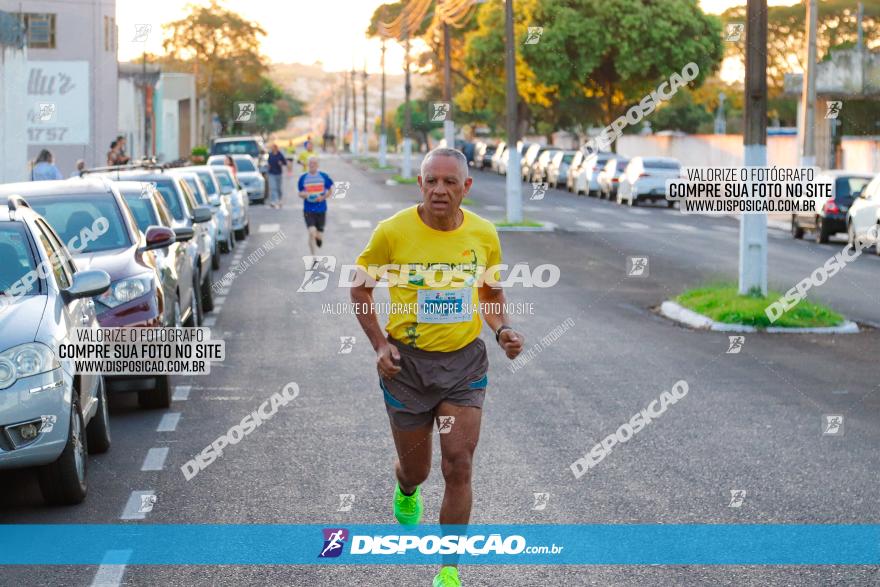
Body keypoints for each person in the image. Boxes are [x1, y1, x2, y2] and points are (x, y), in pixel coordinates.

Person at [350, 148, 524, 587]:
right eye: (432, 181)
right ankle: (406, 488)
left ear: (467, 187)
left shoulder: (483, 234)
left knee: (458, 463)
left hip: (463, 363)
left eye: (450, 182)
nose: (439, 190)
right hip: (406, 367)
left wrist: (502, 332)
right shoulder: (393, 232)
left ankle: (449, 569)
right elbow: (359, 289)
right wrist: (378, 345)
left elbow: (490, 295)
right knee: (418, 470)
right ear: (420, 184)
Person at [298, 156, 334, 256]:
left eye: (314, 163)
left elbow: (330, 191)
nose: (312, 165)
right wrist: (304, 195)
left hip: (321, 209)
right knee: (311, 232)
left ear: (317, 165)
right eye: (310, 163)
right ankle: (314, 257)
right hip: (308, 210)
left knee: (318, 235)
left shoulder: (324, 177)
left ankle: (319, 238)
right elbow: (300, 193)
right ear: (308, 165)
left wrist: (322, 198)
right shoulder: (303, 178)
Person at [267, 143, 289, 209]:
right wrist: (268, 167)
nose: (272, 148)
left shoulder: (280, 155)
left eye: (274, 147)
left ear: (276, 148)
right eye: (272, 147)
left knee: (278, 188)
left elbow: (285, 163)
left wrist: (281, 163)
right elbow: (268, 162)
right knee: (273, 187)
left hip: (278, 173)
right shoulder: (270, 155)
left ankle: (280, 200)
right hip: (271, 173)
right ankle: (273, 201)